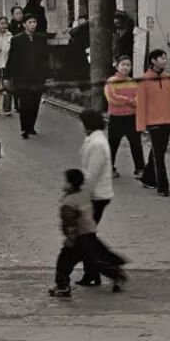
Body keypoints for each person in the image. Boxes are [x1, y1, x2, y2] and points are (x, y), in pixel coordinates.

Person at [48, 168, 127, 299]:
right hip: (89, 234)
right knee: (95, 259)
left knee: (63, 263)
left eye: (66, 181)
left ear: (71, 183)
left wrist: (70, 238)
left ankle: (63, 287)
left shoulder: (69, 202)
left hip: (78, 237)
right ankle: (117, 276)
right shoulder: (84, 195)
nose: (64, 184)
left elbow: (70, 222)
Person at [136, 49, 170, 197]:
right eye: (162, 58)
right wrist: (141, 125)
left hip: (168, 121)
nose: (165, 60)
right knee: (159, 154)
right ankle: (163, 186)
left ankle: (148, 178)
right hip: (153, 122)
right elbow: (141, 105)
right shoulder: (144, 80)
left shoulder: (168, 78)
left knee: (158, 151)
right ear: (153, 60)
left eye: (165, 58)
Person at [78, 109, 115, 287]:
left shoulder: (98, 144)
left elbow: (92, 174)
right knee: (87, 235)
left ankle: (111, 266)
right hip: (95, 194)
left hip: (97, 195)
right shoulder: (94, 140)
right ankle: (93, 273)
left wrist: (81, 196)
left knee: (85, 236)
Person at [6, 14, 49, 138]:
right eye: (30, 22)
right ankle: (24, 127)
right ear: (24, 24)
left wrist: (47, 74)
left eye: (34, 22)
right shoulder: (17, 39)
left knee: (35, 102)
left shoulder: (41, 38)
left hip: (38, 76)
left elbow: (45, 58)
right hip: (22, 77)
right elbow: (12, 59)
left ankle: (31, 126)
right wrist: (7, 77)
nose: (33, 24)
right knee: (25, 102)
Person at [105, 57, 145, 178]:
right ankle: (109, 169)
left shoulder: (133, 82)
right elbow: (112, 99)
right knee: (113, 145)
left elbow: (140, 98)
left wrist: (134, 102)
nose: (126, 67)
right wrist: (129, 101)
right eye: (123, 64)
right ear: (117, 66)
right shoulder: (111, 81)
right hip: (116, 118)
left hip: (131, 117)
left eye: (128, 65)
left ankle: (140, 169)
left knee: (136, 144)